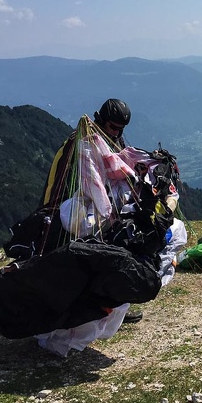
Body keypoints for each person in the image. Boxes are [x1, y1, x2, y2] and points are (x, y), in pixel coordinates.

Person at [41, 98, 143, 323]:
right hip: (73, 210)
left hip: (101, 209)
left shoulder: (112, 140)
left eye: (121, 129)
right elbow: (60, 180)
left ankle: (111, 303)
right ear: (101, 120)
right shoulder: (79, 144)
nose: (117, 132)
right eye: (113, 127)